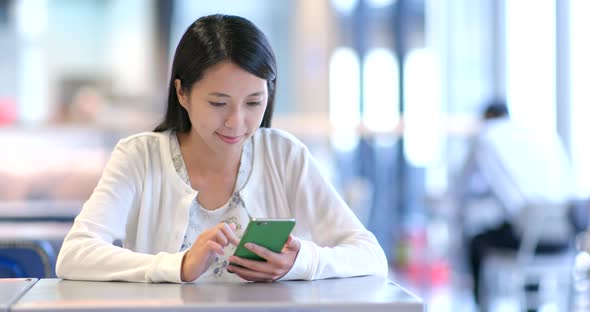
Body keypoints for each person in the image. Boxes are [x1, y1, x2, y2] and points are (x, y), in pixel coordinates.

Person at [55, 14, 388, 283]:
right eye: (218, 102)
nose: (236, 121)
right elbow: (75, 255)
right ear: (182, 93)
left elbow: (370, 255)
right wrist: (179, 265)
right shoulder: (139, 157)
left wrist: (301, 261)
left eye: (254, 102)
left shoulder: (284, 155)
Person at [459, 99, 575, 304]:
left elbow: (463, 186)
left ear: (487, 118)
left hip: (525, 244)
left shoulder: (489, 138)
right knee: (525, 230)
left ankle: (479, 304)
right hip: (563, 244)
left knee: (477, 240)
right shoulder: (540, 137)